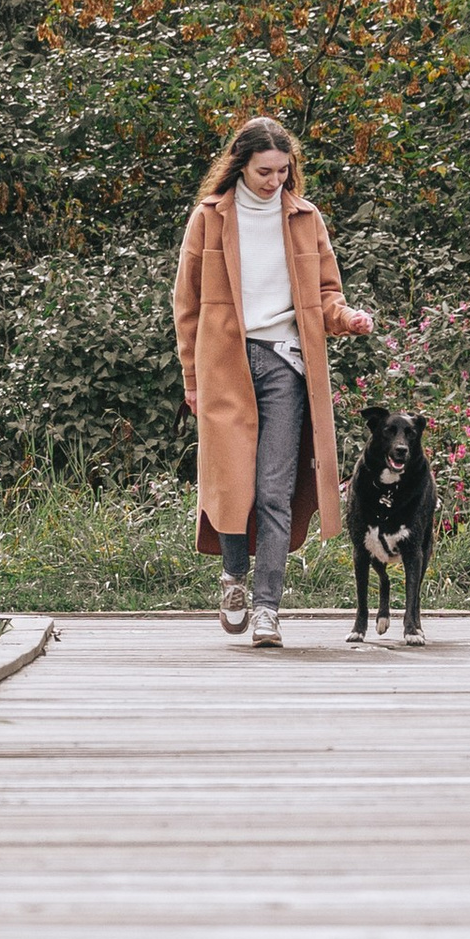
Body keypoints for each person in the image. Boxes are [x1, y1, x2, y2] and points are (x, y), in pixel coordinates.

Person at [173, 114, 375, 649]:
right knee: (231, 484)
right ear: (241, 165)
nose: (275, 181)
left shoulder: (306, 219)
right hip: (226, 367)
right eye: (265, 171)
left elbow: (326, 294)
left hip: (287, 366)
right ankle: (233, 577)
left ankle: (268, 610)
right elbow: (186, 305)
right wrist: (192, 377)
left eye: (284, 171)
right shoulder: (210, 218)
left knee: (275, 490)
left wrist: (346, 317)